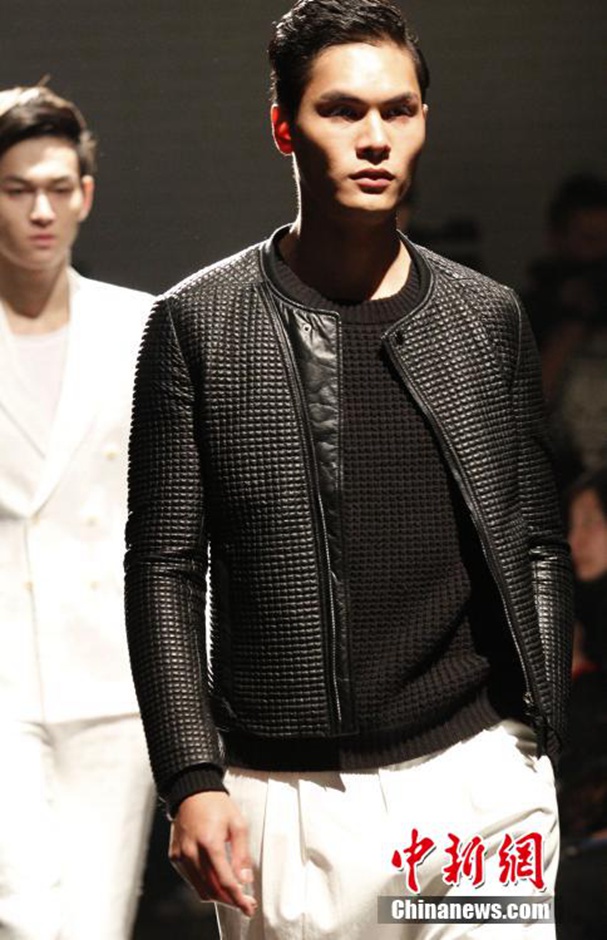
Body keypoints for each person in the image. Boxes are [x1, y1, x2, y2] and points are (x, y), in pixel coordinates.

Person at [125, 2, 573, 937]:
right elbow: (164, 565)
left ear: (422, 120)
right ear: (283, 126)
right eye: (340, 110)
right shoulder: (197, 324)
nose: (374, 138)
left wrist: (537, 735)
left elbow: (534, 537)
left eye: (397, 110)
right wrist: (190, 776)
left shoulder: (485, 317)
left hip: (480, 787)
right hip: (289, 803)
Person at [0, 85, 154, 939]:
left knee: (95, 925)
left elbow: (174, 513)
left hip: (109, 678)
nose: (40, 211)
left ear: (86, 194)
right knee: (23, 918)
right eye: (17, 189)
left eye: (58, 188)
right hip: (1, 677)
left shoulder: (138, 329)